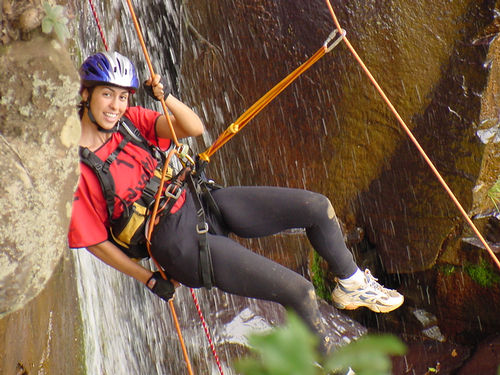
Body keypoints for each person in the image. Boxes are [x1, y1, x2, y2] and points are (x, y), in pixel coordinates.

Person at [68, 51, 404, 355]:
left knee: (316, 207)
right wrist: (147, 278)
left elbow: (192, 127)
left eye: (122, 96)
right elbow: (94, 242)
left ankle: (353, 284)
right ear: (86, 94)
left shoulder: (129, 121)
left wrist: (165, 96)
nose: (115, 105)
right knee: (299, 291)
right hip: (177, 243)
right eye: (107, 94)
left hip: (200, 199)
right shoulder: (76, 169)